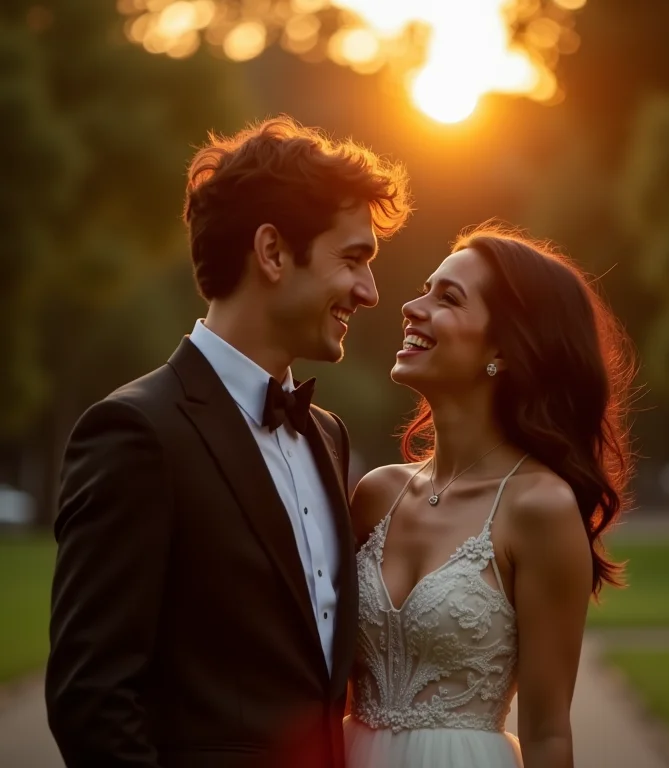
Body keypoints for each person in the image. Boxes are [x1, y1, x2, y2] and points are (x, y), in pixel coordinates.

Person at [45, 116, 411, 768]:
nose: (370, 292)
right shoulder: (135, 434)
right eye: (353, 259)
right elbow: (91, 699)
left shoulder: (326, 435)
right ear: (272, 252)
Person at [345, 225, 634, 768]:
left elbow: (548, 733)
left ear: (505, 345)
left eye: (447, 298)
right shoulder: (376, 494)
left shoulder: (539, 509)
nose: (411, 306)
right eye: (425, 288)